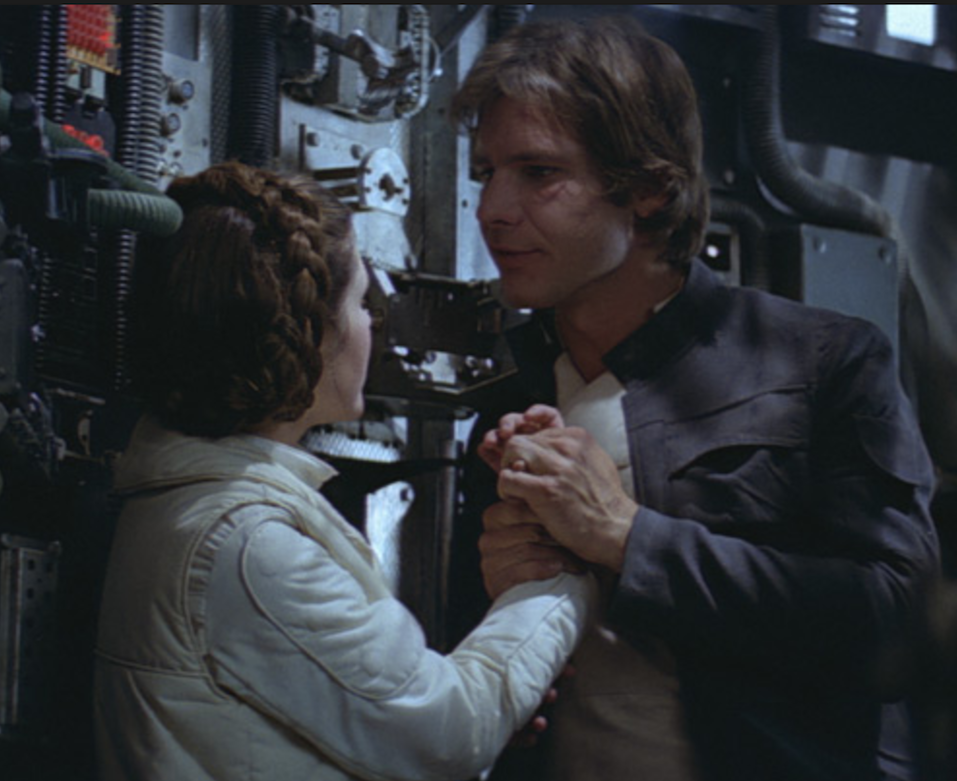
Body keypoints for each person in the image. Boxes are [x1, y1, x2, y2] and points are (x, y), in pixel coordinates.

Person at [445, 16, 940, 781]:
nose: (492, 208)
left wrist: (625, 536)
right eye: (486, 172)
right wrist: (499, 622)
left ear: (650, 188)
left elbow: (899, 625)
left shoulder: (824, 362)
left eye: (538, 172)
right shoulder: (509, 404)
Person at [92, 161, 595, 781]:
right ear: (310, 334)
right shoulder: (250, 548)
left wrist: (490, 706)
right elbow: (453, 733)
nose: (371, 327)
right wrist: (564, 576)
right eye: (360, 304)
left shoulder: (198, 510)